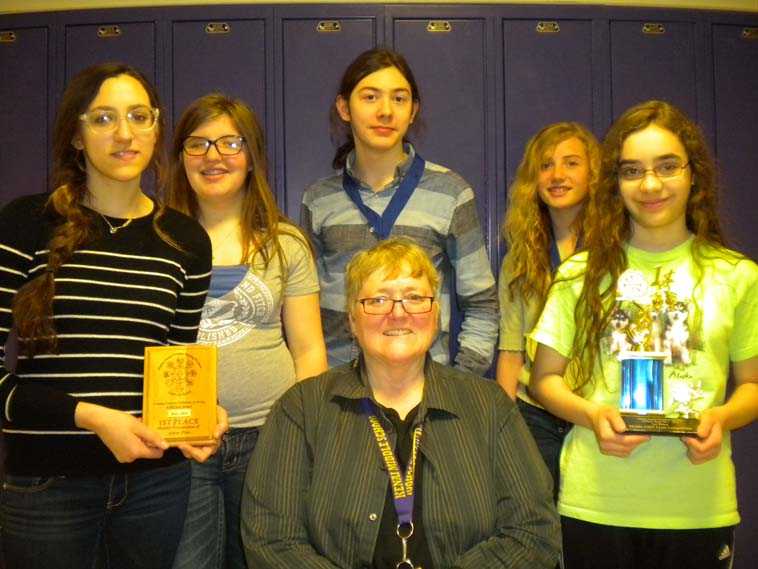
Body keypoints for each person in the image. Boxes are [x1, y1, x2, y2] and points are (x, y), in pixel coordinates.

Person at [0, 63, 224, 569]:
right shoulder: (24, 223)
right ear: (76, 136)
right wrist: (90, 418)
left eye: (139, 116)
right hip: (48, 486)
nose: (124, 134)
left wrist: (203, 410)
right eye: (102, 119)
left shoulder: (186, 241)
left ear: (156, 126)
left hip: (155, 485)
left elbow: (175, 366)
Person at [530, 100, 758, 569]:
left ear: (693, 175)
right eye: (632, 171)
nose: (650, 184)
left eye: (667, 167)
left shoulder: (737, 276)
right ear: (615, 183)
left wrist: (721, 419)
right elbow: (545, 380)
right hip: (596, 503)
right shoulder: (580, 275)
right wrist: (593, 415)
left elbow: (753, 387)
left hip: (698, 507)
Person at [242, 237, 560, 569]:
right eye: (378, 300)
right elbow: (271, 539)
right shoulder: (303, 409)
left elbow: (533, 531)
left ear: (435, 314)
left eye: (414, 297)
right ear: (352, 319)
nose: (397, 313)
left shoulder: (489, 406)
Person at [167, 93, 327, 569]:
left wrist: (300, 435)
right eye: (198, 144)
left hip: (268, 437)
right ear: (180, 158)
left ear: (252, 156)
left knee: (260, 560)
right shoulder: (160, 240)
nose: (213, 157)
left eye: (230, 143)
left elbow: (309, 349)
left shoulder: (286, 243)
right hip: (182, 441)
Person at [301, 47, 498, 376]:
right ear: (343, 108)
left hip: (424, 388)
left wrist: (459, 384)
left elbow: (482, 305)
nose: (385, 112)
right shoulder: (319, 200)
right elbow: (303, 310)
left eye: (399, 98)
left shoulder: (451, 193)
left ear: (413, 110)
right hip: (338, 390)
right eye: (370, 97)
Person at [497, 122, 600, 497]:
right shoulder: (520, 259)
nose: (557, 175)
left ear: (593, 174)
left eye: (571, 163)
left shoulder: (616, 251)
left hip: (594, 416)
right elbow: (510, 350)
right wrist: (505, 429)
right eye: (546, 165)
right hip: (533, 417)